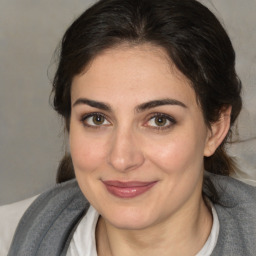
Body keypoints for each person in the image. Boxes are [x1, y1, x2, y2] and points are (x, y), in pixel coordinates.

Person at [1, 0, 256, 255]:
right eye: (97, 119)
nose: (121, 159)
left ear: (214, 129)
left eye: (159, 120)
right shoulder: (8, 237)